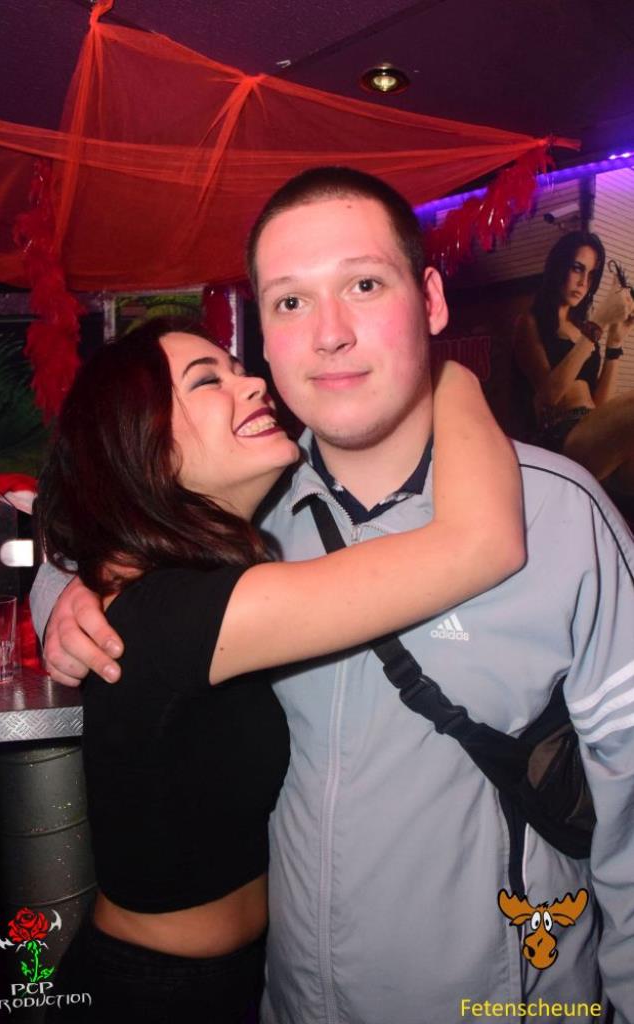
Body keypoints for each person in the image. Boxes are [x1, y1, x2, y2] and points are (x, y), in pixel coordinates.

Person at [32, 168, 634, 1024]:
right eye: (290, 302)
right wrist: (67, 589)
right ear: (266, 339)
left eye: (363, 285)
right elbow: (109, 534)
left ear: (430, 300)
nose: (329, 335)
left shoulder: (558, 514)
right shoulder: (245, 522)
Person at [34, 313, 523, 1024]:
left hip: (233, 979)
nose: (254, 384)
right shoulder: (175, 611)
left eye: (240, 369)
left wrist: (63, 589)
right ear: (146, 446)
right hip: (152, 996)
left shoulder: (177, 584)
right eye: (208, 381)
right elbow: (482, 543)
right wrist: (446, 374)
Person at [514, 230, 634, 496]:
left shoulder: (581, 330)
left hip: (591, 431)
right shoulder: (530, 323)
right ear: (559, 267)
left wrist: (614, 343)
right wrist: (598, 324)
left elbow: (600, 405)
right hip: (560, 437)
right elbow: (548, 397)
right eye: (577, 269)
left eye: (591, 275)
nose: (583, 283)